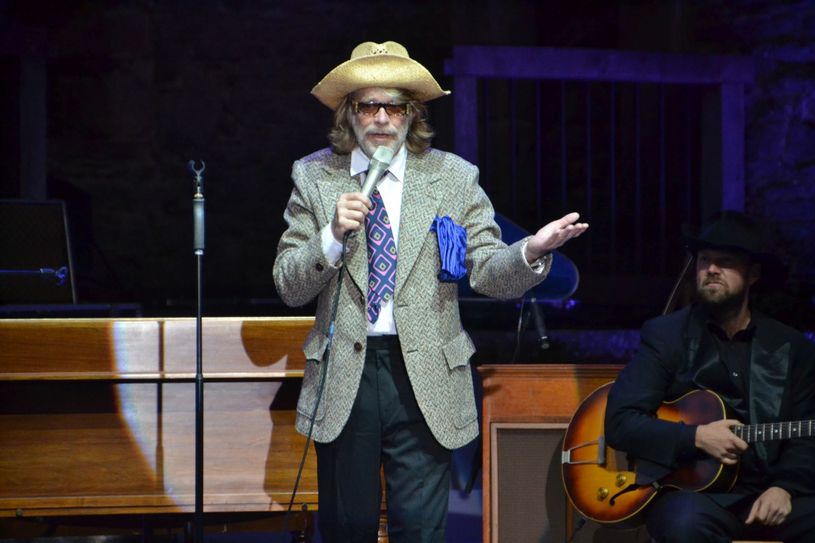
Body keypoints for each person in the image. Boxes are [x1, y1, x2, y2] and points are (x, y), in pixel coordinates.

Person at [272, 41, 588, 542]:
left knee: (419, 530)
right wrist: (330, 236)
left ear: (411, 114)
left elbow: (486, 271)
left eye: (393, 106)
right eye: (367, 105)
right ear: (348, 114)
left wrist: (531, 250)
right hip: (345, 377)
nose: (380, 118)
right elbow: (289, 284)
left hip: (426, 374)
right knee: (346, 528)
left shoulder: (453, 178)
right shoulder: (314, 177)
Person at [604, 211, 815, 543]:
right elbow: (620, 422)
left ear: (753, 274)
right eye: (705, 261)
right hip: (697, 497)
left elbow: (806, 433)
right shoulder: (667, 335)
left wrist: (784, 487)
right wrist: (697, 438)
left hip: (768, 491)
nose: (712, 269)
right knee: (683, 523)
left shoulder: (790, 347)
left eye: (725, 261)